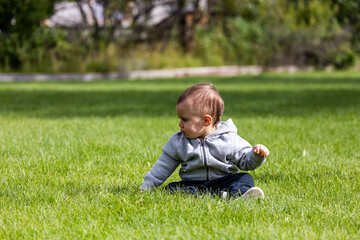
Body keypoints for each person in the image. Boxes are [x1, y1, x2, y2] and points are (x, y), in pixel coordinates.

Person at [140, 83, 269, 199]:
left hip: (223, 181)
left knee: (244, 178)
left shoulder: (228, 139)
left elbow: (246, 162)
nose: (180, 124)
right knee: (171, 188)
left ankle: (239, 195)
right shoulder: (178, 142)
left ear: (206, 121)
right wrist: (146, 187)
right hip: (193, 184)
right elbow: (162, 167)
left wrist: (256, 155)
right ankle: (220, 195)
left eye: (184, 119)